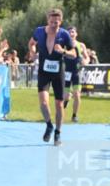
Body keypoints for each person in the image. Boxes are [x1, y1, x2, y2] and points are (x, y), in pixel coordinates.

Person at [27, 8, 76, 146]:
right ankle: (49, 125)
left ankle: (58, 133)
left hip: (58, 73)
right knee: (43, 103)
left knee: (59, 105)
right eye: (52, 21)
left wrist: (63, 51)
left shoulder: (64, 34)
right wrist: (32, 52)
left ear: (61, 21)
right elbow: (31, 43)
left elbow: (74, 54)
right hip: (43, 71)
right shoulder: (39, 31)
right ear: (48, 20)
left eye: (57, 22)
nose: (54, 24)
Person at [63, 25, 90, 123]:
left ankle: (74, 116)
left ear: (76, 34)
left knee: (77, 95)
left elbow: (87, 57)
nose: (71, 33)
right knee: (65, 96)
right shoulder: (64, 44)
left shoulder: (81, 45)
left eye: (73, 32)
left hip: (76, 72)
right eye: (69, 32)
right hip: (66, 72)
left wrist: (86, 61)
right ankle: (66, 101)